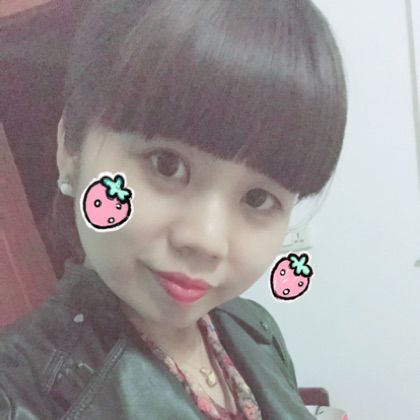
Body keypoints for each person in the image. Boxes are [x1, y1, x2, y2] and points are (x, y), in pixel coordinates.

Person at [0, 0, 347, 418]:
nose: (206, 240)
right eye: (166, 165)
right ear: (70, 150)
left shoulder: (255, 328)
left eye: (258, 198)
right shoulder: (17, 394)